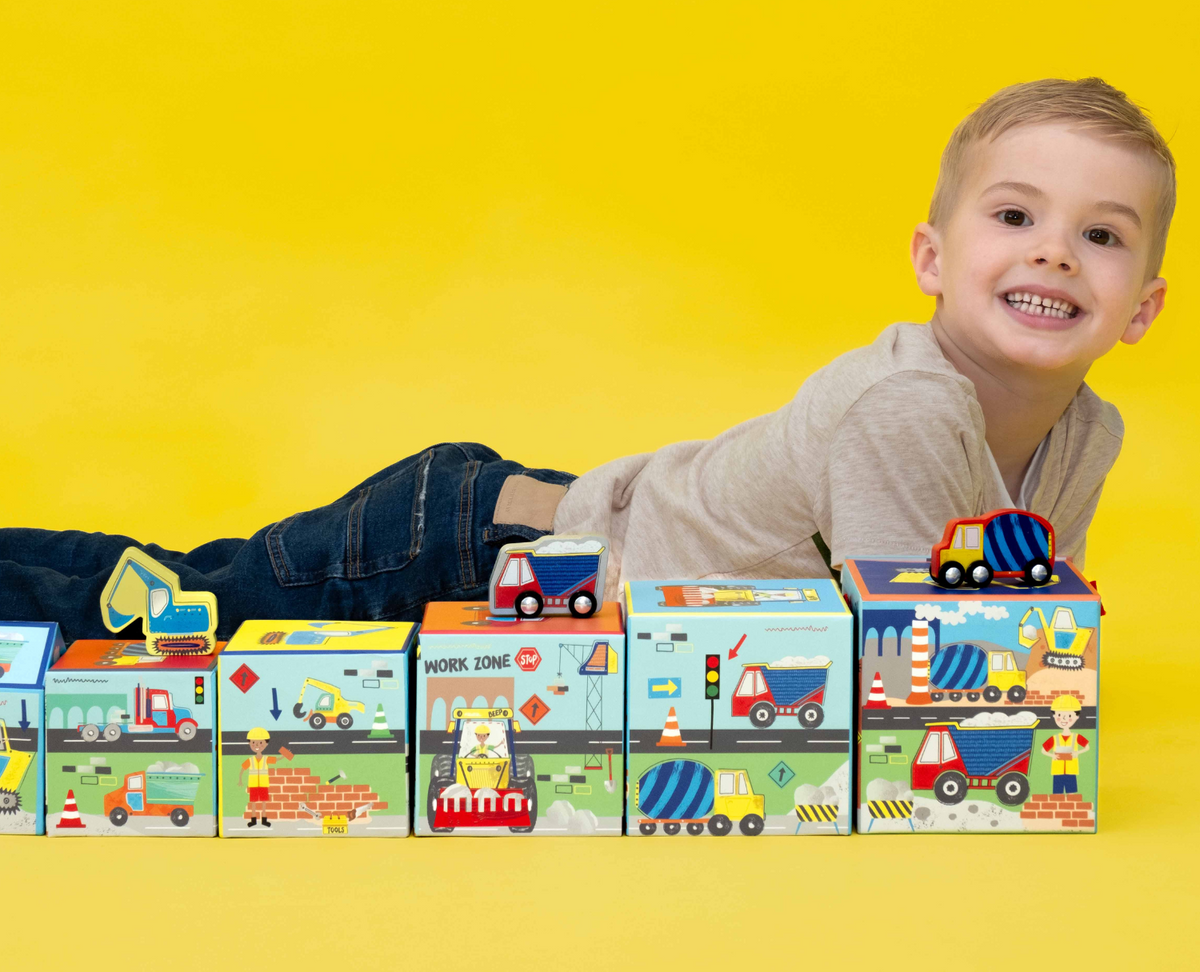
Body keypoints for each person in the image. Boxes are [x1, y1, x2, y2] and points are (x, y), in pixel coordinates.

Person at [0, 78, 1174, 638]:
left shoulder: (1088, 435)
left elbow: (1027, 606)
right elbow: (908, 648)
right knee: (172, 612)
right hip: (472, 543)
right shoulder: (906, 407)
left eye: (1102, 236)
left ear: (1142, 307)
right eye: (1015, 218)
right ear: (930, 255)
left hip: (550, 527)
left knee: (174, 581)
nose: (1058, 254)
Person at [237, 727, 294, 828]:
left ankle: (264, 820)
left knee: (263, 803)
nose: (257, 746)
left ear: (266, 744)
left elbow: (276, 759)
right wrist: (240, 779)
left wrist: (284, 755)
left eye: (260, 743)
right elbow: (242, 768)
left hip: (263, 784)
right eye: (253, 743)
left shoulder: (266, 759)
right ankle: (253, 820)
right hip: (253, 785)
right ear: (250, 744)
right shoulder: (250, 760)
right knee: (253, 803)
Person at [1042, 694, 1089, 795]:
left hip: (1071, 771)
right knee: (1057, 795)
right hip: (1057, 771)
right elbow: (1043, 750)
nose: (1064, 719)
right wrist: (1053, 755)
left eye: (1069, 716)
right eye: (1059, 715)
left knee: (1071, 795)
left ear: (1076, 717)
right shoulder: (1055, 738)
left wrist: (1077, 752)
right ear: (1054, 716)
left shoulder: (1076, 737)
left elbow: (1087, 747)